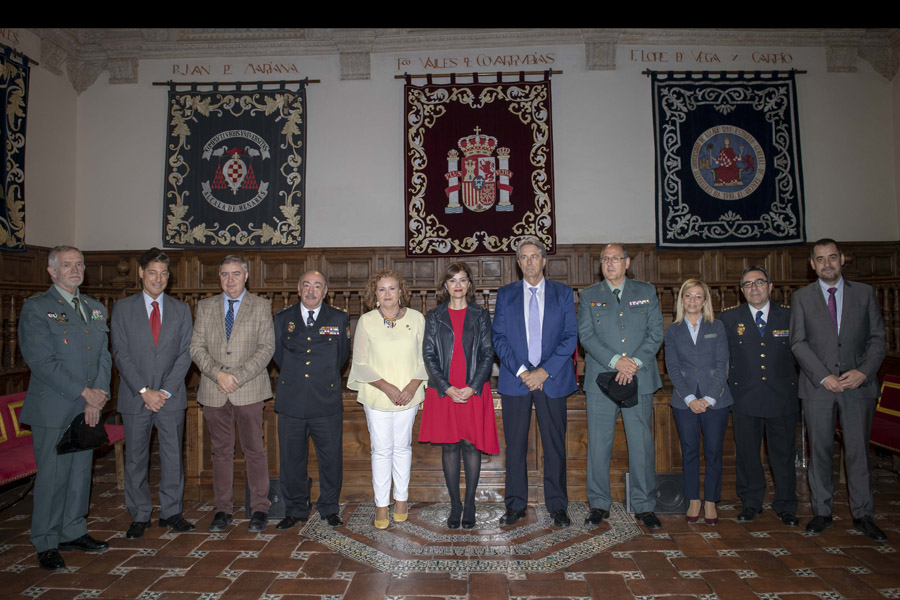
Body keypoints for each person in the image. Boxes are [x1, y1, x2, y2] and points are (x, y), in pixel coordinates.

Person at [18, 245, 111, 570]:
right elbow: (41, 361)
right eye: (67, 265)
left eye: (79, 264)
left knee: (80, 474)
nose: (75, 269)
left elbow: (103, 355)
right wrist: (85, 392)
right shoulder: (37, 308)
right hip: (55, 407)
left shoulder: (95, 308)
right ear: (52, 271)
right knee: (53, 477)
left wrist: (98, 395)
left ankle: (73, 530)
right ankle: (45, 540)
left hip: (88, 406)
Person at [790, 238, 887, 541]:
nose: (827, 264)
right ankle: (822, 512)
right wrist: (822, 376)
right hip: (819, 387)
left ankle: (863, 515)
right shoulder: (802, 297)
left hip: (858, 386)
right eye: (820, 259)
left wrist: (863, 371)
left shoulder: (865, 294)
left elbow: (878, 339)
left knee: (858, 452)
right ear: (812, 264)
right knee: (819, 451)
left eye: (832, 257)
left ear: (842, 259)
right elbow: (798, 342)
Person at [578, 243, 664, 530]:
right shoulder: (589, 295)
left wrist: (634, 362)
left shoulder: (646, 291)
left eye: (615, 259)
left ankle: (644, 506)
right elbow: (587, 337)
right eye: (605, 259)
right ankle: (599, 504)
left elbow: (655, 333)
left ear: (627, 263)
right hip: (601, 380)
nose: (610, 263)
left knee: (641, 445)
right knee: (599, 446)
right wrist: (617, 362)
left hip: (638, 378)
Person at [493, 236, 577, 527]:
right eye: (523, 258)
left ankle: (557, 506)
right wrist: (523, 372)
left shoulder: (563, 294)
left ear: (544, 260)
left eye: (533, 256)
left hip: (552, 379)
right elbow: (499, 338)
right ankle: (515, 505)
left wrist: (544, 371)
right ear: (519, 264)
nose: (528, 262)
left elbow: (569, 337)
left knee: (554, 445)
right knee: (515, 447)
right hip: (516, 380)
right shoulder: (506, 295)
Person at [111, 248, 195, 539]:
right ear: (140, 273)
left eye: (163, 273)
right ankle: (140, 514)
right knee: (136, 457)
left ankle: (172, 513)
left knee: (173, 456)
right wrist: (146, 391)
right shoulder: (122, 309)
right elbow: (121, 354)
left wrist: (165, 392)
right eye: (152, 272)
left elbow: (185, 355)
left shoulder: (181, 309)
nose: (158, 279)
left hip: (171, 397)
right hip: (136, 397)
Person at [190, 255, 275, 533]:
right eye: (225, 274)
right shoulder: (205, 306)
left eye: (236, 274)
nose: (230, 280)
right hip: (214, 390)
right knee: (221, 452)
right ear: (219, 278)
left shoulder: (261, 306)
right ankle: (223, 509)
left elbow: (266, 348)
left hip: (248, 388)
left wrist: (236, 377)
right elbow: (196, 348)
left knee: (254, 450)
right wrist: (218, 374)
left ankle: (260, 507)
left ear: (246, 276)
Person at [419, 262, 498, 529]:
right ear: (445, 286)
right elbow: (428, 355)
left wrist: (474, 385)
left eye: (463, 280)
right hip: (446, 391)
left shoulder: (480, 315)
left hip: (472, 389)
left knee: (470, 445)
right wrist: (446, 387)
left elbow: (488, 353)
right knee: (450, 445)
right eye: (453, 281)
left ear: (469, 285)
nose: (458, 285)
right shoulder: (434, 316)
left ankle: (470, 504)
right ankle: (455, 505)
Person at [719, 265, 800, 526]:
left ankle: (786, 504)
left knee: (783, 455)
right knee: (747, 454)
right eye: (748, 284)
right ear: (741, 291)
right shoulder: (729, 319)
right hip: (745, 397)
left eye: (759, 282)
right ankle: (751, 502)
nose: (754, 288)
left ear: (770, 286)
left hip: (782, 397)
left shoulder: (789, 316)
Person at [348, 269, 427, 529]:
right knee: (381, 450)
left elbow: (425, 358)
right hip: (377, 394)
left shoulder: (416, 318)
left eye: (392, 288)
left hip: (409, 394)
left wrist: (411, 385)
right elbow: (360, 362)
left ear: (401, 291)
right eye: (381, 289)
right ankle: (382, 504)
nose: (387, 294)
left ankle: (401, 499)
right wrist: (388, 388)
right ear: (374, 294)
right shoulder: (367, 321)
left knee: (402, 447)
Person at [272, 271, 350, 530]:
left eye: (317, 286)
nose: (311, 291)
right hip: (291, 401)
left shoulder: (338, 318)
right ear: (298, 288)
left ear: (325, 291)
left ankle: (329, 508)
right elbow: (279, 356)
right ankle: (295, 509)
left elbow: (341, 357)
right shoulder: (283, 319)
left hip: (325, 402)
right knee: (291, 460)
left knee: (330, 460)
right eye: (306, 285)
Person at [664, 279, 732, 525]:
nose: (693, 301)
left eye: (698, 296)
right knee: (690, 452)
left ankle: (711, 501)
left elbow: (722, 363)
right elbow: (672, 366)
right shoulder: (673, 330)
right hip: (685, 402)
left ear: (705, 301)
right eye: (688, 296)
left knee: (713, 452)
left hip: (717, 400)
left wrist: (710, 398)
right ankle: (694, 499)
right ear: (682, 300)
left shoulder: (717, 326)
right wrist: (691, 399)